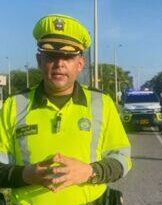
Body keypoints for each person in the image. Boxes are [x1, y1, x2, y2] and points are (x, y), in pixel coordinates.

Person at [0, 14, 132, 205]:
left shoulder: (101, 103)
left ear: (80, 64)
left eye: (68, 56)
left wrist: (89, 171)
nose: (59, 63)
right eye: (51, 56)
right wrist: (25, 174)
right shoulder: (14, 105)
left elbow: (122, 159)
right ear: (39, 60)